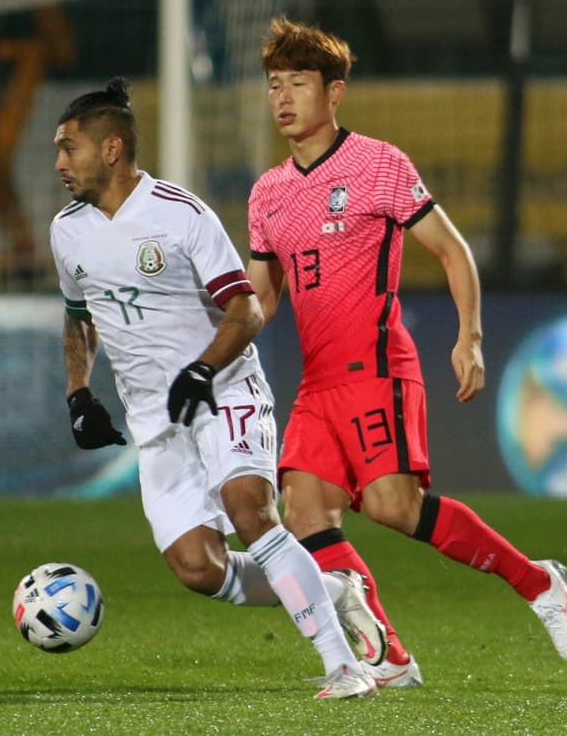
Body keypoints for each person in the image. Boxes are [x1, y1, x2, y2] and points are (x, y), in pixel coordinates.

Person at [247, 18, 567, 688]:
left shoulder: (378, 164)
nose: (283, 97)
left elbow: (452, 250)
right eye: (275, 85)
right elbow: (261, 297)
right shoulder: (268, 192)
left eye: (298, 84)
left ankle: (537, 581)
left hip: (377, 368)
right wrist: (207, 337)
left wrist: (471, 336)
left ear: (334, 92)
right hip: (317, 384)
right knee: (304, 513)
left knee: (395, 507)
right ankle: (390, 657)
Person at [49, 77, 387, 699]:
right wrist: (79, 393)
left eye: (70, 149)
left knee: (250, 512)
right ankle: (333, 590)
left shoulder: (180, 214)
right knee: (198, 568)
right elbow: (79, 317)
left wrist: (202, 370)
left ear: (112, 149)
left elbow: (247, 309)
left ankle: (345, 666)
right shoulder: (67, 230)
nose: (60, 164)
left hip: (222, 389)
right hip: (156, 418)